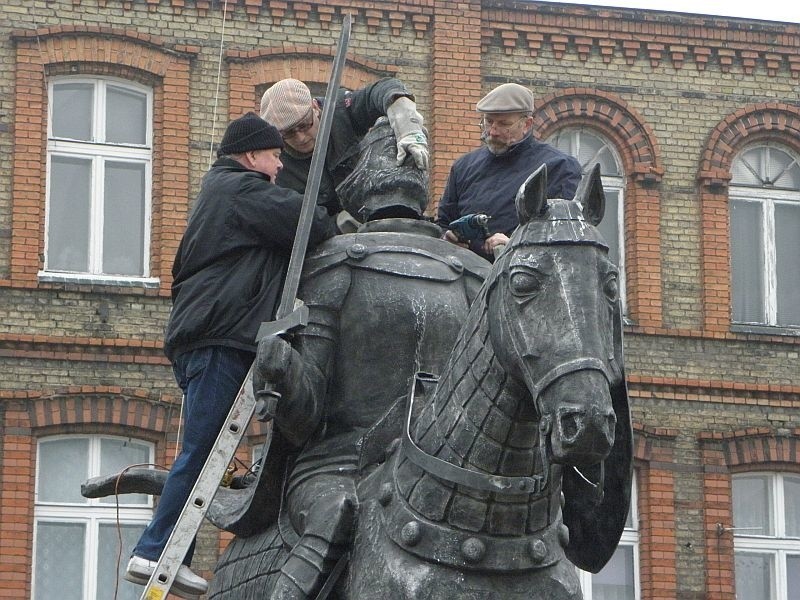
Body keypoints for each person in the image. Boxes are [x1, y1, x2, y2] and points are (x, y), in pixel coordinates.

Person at [246, 118, 490, 600]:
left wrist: (287, 372)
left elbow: (303, 417)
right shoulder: (342, 263)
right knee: (334, 511)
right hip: (342, 466)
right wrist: (281, 365)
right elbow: (306, 417)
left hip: (444, 480)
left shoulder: (475, 275)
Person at [123, 112, 337, 598]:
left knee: (205, 449)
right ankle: (155, 552)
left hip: (207, 334)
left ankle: (163, 553)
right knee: (201, 450)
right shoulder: (239, 191)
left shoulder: (223, 193)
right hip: (220, 336)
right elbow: (308, 223)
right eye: (275, 156)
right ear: (250, 155)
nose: (280, 165)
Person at [437, 82, 582, 261]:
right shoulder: (464, 167)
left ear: (527, 124)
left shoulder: (558, 167)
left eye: (504, 124)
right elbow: (443, 222)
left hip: (524, 277)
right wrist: (448, 238)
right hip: (464, 274)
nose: (493, 131)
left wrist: (515, 243)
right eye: (488, 121)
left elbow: (561, 229)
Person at [260, 77, 429, 216]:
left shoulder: (340, 111)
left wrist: (404, 117)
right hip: (324, 235)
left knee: (388, 125)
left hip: (376, 207)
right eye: (289, 133)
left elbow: (380, 90)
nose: (301, 137)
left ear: (315, 107)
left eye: (305, 126)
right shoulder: (275, 164)